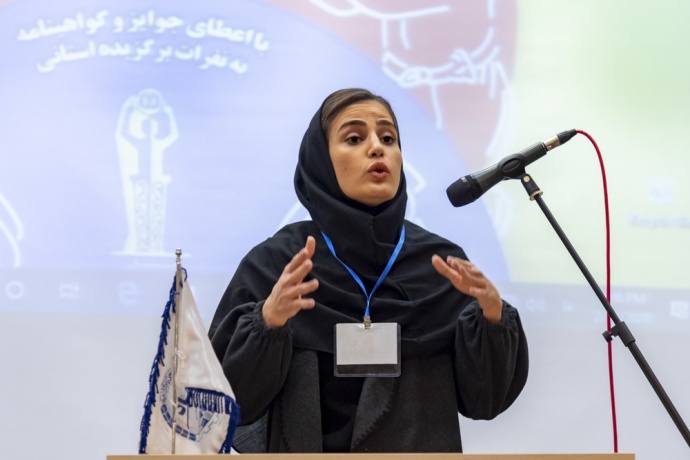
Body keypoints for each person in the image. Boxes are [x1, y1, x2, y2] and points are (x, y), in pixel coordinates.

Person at [209, 88, 528, 453]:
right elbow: (226, 404)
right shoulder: (279, 264)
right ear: (321, 161)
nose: (377, 148)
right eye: (354, 138)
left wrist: (492, 318)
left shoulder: (442, 265)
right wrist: (269, 321)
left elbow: (484, 402)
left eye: (388, 138)